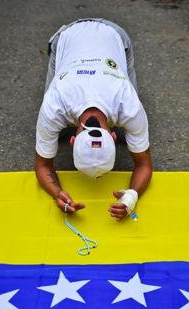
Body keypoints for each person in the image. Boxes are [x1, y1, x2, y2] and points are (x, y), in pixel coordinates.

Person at [35, 18, 152, 220]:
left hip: (115, 36)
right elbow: (42, 166)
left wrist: (131, 197)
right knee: (53, 122)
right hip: (66, 37)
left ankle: (54, 134)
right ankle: (56, 132)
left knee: (127, 82)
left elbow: (144, 166)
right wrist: (56, 194)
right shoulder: (53, 104)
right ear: (113, 137)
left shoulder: (129, 103)